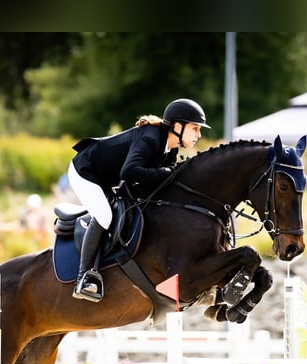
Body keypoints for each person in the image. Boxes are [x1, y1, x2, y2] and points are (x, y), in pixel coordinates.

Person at [67, 98, 210, 302]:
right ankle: (83, 278)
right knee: (105, 215)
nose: (199, 134)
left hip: (106, 178)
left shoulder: (170, 148)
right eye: (195, 128)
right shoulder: (150, 138)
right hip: (85, 171)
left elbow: (162, 181)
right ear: (178, 126)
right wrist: (168, 172)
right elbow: (130, 171)